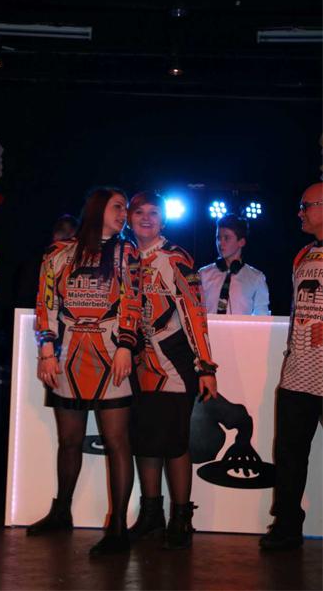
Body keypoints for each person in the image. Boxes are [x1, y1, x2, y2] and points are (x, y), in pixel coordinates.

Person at [26, 187, 141, 556]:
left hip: (111, 355)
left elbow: (133, 302)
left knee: (117, 441)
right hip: (68, 356)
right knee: (69, 441)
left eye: (125, 208)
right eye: (118, 206)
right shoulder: (58, 253)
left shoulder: (126, 252)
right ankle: (61, 512)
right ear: (97, 208)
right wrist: (46, 350)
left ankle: (118, 528)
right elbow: (46, 304)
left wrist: (126, 346)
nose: (124, 214)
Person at [127, 191, 217, 549]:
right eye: (139, 212)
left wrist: (205, 366)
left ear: (164, 220)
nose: (146, 218)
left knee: (175, 442)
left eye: (154, 213)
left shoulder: (176, 258)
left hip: (174, 362)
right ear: (129, 218)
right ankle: (151, 515)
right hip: (137, 363)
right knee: (144, 441)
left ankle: (181, 519)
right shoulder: (123, 257)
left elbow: (196, 314)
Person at [259, 182, 323, 551]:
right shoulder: (302, 255)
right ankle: (286, 525)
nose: (300, 213)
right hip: (298, 374)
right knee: (289, 454)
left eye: (306, 206)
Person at [198, 213, 270, 315]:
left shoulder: (256, 278)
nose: (220, 243)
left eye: (226, 238)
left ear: (241, 242)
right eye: (218, 238)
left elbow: (262, 316)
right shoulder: (203, 274)